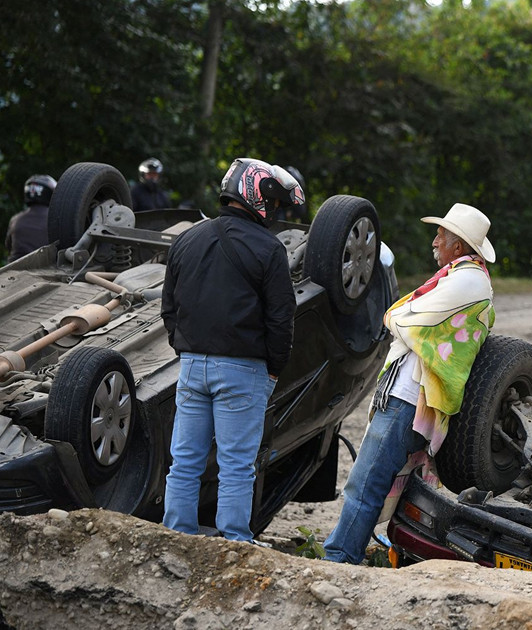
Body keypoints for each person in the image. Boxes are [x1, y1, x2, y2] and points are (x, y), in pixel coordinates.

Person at [323, 203, 496, 565]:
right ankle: (369, 552)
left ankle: (340, 558)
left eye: (440, 236)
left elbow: (403, 317)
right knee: (385, 481)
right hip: (412, 394)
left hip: (408, 397)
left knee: (366, 481)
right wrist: (400, 317)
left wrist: (396, 318)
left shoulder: (467, 280)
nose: (434, 242)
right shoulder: (463, 276)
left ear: (458, 246)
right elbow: (408, 316)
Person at [161, 158, 304, 542]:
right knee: (237, 466)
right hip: (244, 370)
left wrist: (187, 351)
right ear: (258, 196)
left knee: (184, 464)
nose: (275, 211)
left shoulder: (186, 240)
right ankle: (235, 542)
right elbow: (281, 319)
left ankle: (175, 538)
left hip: (192, 366)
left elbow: (169, 308)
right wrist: (274, 369)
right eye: (274, 203)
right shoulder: (269, 248)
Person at [5, 174, 56, 262]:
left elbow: (9, 246)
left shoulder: (15, 219)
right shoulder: (55, 219)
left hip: (13, 268)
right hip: (45, 267)